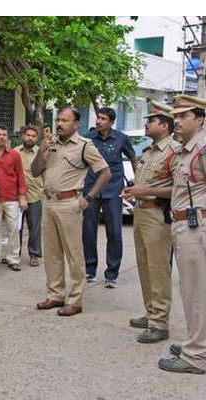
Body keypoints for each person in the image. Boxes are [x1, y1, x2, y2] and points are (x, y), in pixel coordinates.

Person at [123, 95, 206, 374]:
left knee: (196, 293)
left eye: (183, 116)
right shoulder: (186, 149)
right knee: (191, 290)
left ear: (200, 118)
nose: (177, 121)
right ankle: (196, 344)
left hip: (194, 225)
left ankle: (197, 355)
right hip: (182, 222)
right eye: (176, 116)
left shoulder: (201, 148)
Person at [31, 107, 110, 317]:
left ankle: (75, 300)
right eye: (58, 120)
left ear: (76, 124)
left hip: (70, 204)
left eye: (65, 120)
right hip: (48, 202)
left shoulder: (85, 146)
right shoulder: (51, 144)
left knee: (74, 254)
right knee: (51, 253)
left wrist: (88, 199)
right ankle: (55, 294)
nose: (59, 124)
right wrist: (42, 150)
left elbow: (105, 173)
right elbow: (35, 171)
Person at [120, 101, 176, 344]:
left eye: (151, 120)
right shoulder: (149, 151)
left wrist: (146, 190)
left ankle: (160, 323)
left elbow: (178, 188)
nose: (146, 124)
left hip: (157, 215)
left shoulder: (174, 151)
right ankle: (151, 312)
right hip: (141, 213)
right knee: (144, 266)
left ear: (164, 125)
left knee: (158, 270)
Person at [82, 107, 137, 288]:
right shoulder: (88, 139)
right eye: (98, 118)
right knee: (89, 230)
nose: (98, 121)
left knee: (114, 232)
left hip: (113, 190)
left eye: (103, 119)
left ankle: (112, 273)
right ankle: (90, 270)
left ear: (111, 122)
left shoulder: (121, 138)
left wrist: (137, 183)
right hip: (91, 190)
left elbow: (133, 157)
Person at [0, 125, 27, 272]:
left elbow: (21, 176)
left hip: (12, 198)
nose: (1, 137)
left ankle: (12, 258)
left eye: (4, 135)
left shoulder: (14, 155)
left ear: (7, 137)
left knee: (13, 229)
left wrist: (22, 196)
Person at [15, 125, 45, 267]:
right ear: (23, 136)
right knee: (16, 227)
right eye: (28, 135)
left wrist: (45, 190)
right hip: (17, 196)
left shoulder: (41, 152)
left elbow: (45, 172)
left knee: (35, 227)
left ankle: (34, 254)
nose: (30, 138)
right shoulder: (15, 152)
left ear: (37, 138)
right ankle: (15, 254)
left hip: (35, 195)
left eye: (33, 136)